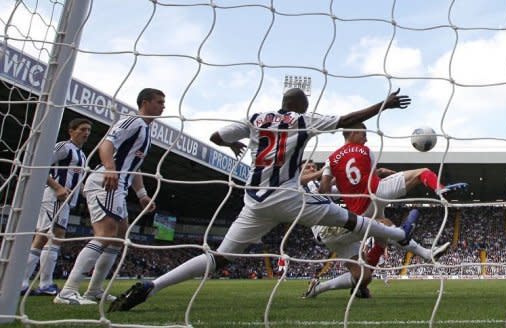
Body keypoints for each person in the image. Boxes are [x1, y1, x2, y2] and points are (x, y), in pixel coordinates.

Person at [109, 87, 416, 312]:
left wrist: (235, 144)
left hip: (255, 201)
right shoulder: (302, 120)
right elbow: (349, 118)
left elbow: (217, 136)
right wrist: (384, 105)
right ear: (301, 105)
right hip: (289, 197)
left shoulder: (256, 118)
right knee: (347, 218)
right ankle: (400, 235)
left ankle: (151, 286)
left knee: (220, 256)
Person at [54, 88, 165, 305]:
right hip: (105, 181)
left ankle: (94, 290)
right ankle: (67, 292)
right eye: (159, 101)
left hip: (119, 186)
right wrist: (109, 168)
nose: (163, 106)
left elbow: (135, 167)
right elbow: (107, 143)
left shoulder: (146, 131)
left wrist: (142, 194)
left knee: (119, 238)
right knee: (106, 234)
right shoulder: (132, 121)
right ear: (145, 102)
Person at [318, 122, 465, 269]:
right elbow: (371, 175)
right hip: (377, 192)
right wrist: (383, 173)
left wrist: (339, 180)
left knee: (384, 230)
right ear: (353, 132)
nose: (366, 139)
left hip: (359, 212)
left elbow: (324, 190)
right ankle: (441, 189)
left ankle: (424, 254)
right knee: (422, 172)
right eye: (364, 134)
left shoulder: (331, 159)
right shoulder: (365, 150)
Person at [299, 160, 447, 299]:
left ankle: (317, 288)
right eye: (308, 167)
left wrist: (374, 173)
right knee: (383, 223)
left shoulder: (323, 187)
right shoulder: (297, 185)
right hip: (327, 229)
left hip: (337, 230)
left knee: (363, 276)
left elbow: (348, 185)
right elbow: (317, 189)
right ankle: (426, 253)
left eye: (314, 167)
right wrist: (325, 172)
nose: (312, 168)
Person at [21, 118, 92, 296]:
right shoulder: (64, 147)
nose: (86, 133)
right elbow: (41, 165)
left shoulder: (82, 155)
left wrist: (87, 194)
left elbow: (77, 181)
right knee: (46, 235)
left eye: (88, 131)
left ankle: (42, 283)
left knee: (52, 237)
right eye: (83, 129)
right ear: (71, 131)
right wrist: (57, 187)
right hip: (53, 196)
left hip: (66, 201)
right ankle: (27, 282)